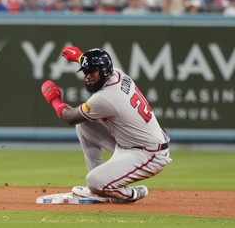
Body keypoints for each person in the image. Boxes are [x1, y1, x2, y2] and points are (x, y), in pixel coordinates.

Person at [41, 47, 171, 204]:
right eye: (85, 71)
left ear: (104, 71)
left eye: (92, 72)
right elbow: (97, 65)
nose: (88, 76)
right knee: (84, 125)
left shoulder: (105, 98)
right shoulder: (118, 73)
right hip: (131, 143)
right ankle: (97, 192)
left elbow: (70, 117)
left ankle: (130, 194)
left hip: (148, 154)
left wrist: (54, 99)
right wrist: (79, 56)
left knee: (94, 181)